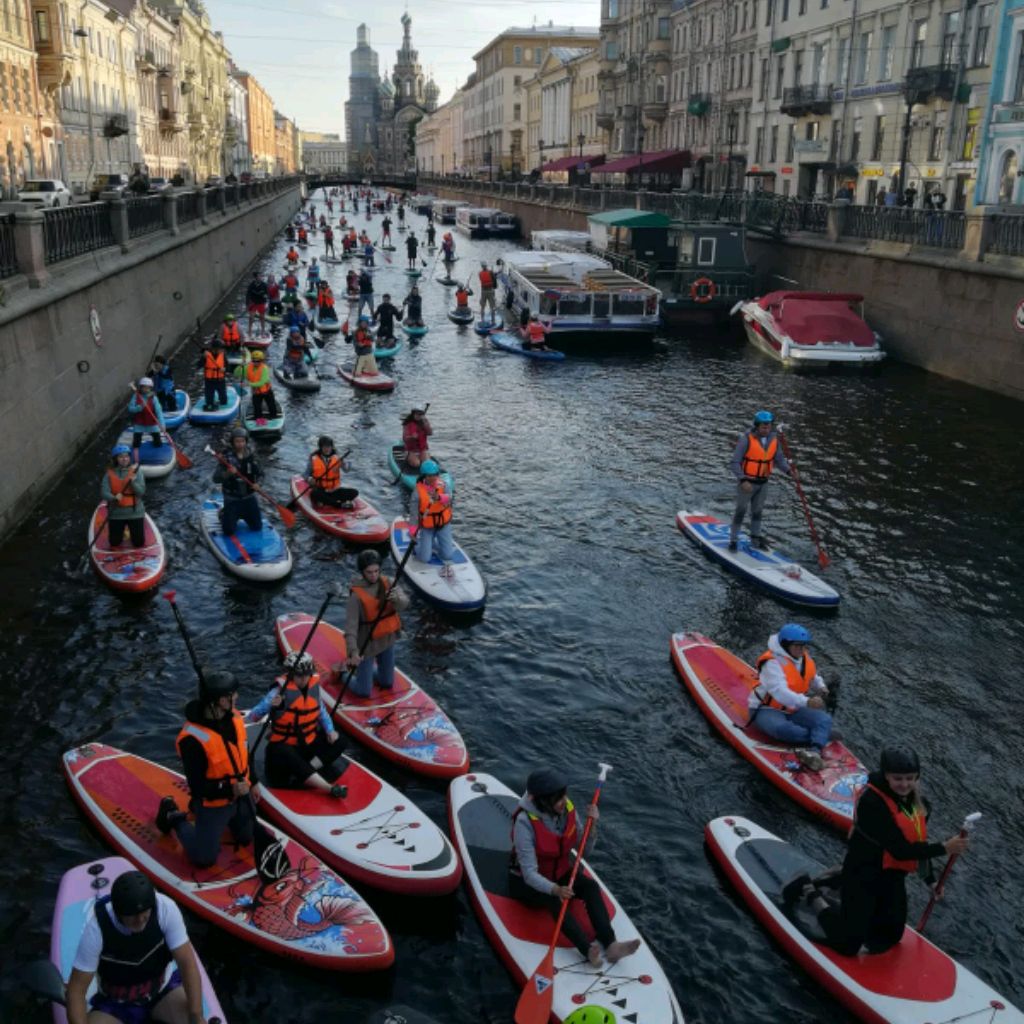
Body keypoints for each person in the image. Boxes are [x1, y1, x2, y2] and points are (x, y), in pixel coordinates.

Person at [792, 748, 970, 958]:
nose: (904, 784)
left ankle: (839, 888)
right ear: (886, 775)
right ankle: (810, 892)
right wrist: (944, 848)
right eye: (898, 779)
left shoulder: (921, 807)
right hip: (863, 872)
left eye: (910, 778)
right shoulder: (872, 803)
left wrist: (930, 881)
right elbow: (900, 850)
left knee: (889, 936)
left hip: (891, 876)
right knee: (848, 945)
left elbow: (917, 843)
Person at [509, 767, 641, 968]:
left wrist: (593, 826)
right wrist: (555, 889)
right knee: (555, 900)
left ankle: (611, 944)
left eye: (564, 795)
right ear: (544, 801)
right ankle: (587, 950)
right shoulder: (524, 823)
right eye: (558, 798)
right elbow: (528, 874)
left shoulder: (567, 809)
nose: (564, 800)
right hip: (529, 883)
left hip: (560, 872)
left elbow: (583, 851)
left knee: (590, 886)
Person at [65, 870, 207, 1024]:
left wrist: (196, 1015)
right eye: (132, 914)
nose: (140, 920)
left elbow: (187, 963)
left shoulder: (166, 908)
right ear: (119, 912)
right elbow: (76, 991)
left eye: (144, 912)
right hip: (115, 1003)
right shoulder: (96, 930)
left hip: (162, 991)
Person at [156, 670, 255, 868]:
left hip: (241, 794)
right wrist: (231, 789)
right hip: (214, 802)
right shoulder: (192, 740)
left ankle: (211, 817)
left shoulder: (234, 717)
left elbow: (244, 753)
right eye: (232, 696)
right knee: (204, 859)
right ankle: (174, 817)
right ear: (219, 701)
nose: (236, 698)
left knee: (246, 837)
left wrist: (256, 781)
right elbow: (198, 786)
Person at [246, 652, 348, 796]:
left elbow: (322, 713)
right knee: (284, 750)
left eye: (307, 674)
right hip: (283, 751)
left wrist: (330, 730)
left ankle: (307, 771)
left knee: (341, 740)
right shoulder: (277, 692)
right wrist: (271, 705)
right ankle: (328, 787)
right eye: (300, 675)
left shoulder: (313, 688)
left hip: (306, 746)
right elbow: (253, 717)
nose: (305, 679)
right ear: (290, 673)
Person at [747, 623, 832, 771]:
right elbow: (779, 692)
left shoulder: (802, 657)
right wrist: (807, 702)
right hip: (766, 709)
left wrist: (821, 686)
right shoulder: (771, 663)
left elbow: (813, 677)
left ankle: (815, 752)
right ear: (785, 645)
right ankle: (820, 736)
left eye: (804, 645)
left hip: (793, 709)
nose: (802, 649)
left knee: (824, 719)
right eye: (797, 646)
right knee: (784, 730)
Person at [343, 549, 409, 699]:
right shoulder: (356, 596)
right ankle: (343, 673)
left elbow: (405, 604)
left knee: (387, 682)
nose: (373, 575)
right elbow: (350, 628)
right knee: (363, 691)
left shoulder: (389, 583)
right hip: (366, 646)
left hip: (387, 640)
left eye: (376, 571)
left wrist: (396, 599)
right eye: (369, 572)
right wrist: (353, 651)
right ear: (362, 572)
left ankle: (365, 671)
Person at [728, 409, 791, 551]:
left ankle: (755, 539)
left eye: (768, 426)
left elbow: (779, 459)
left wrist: (788, 471)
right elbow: (734, 462)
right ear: (757, 425)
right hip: (747, 483)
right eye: (763, 426)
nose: (766, 429)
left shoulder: (774, 440)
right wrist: (743, 480)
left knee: (757, 511)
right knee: (741, 510)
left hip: (763, 483)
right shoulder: (746, 440)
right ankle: (733, 540)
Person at [213, 427, 262, 536]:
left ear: (246, 441)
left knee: (257, 527)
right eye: (237, 441)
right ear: (232, 442)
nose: (240, 444)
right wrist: (228, 473)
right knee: (229, 531)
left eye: (242, 441)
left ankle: (245, 515)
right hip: (232, 499)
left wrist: (258, 484)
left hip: (249, 497)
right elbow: (215, 479)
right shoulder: (225, 458)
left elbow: (261, 474)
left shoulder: (252, 456)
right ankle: (223, 514)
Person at [412, 460, 456, 570]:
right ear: (424, 476)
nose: (433, 478)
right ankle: (420, 545)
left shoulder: (443, 485)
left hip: (443, 525)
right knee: (424, 558)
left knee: (447, 555)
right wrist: (413, 532)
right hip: (427, 527)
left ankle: (433, 543)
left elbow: (450, 497)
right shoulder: (417, 491)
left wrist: (439, 498)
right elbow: (413, 513)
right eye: (430, 476)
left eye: (435, 475)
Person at [102, 445, 146, 548]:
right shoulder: (109, 474)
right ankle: (123, 531)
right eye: (121, 457)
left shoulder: (137, 472)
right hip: (116, 512)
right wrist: (113, 497)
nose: (124, 459)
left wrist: (133, 483)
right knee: (114, 542)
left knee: (139, 543)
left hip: (135, 512)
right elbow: (104, 492)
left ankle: (129, 531)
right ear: (116, 459)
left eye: (126, 456)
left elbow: (141, 493)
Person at [304, 435, 357, 507]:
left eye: (329, 446)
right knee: (314, 494)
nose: (327, 449)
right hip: (320, 490)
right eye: (325, 447)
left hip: (334, 490)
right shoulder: (313, 458)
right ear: (321, 447)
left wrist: (348, 462)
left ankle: (325, 501)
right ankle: (339, 504)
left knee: (354, 492)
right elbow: (305, 474)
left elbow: (346, 470)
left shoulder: (337, 457)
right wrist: (309, 479)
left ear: (332, 447)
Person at [234, 349, 279, 422]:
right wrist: (240, 366)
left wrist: (249, 384)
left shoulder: (264, 368)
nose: (255, 362)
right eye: (254, 360)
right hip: (256, 392)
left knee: (271, 405)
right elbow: (236, 374)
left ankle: (274, 417)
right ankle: (259, 419)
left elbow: (262, 382)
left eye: (258, 361)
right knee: (257, 407)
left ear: (262, 361)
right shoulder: (248, 367)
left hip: (266, 391)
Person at [128, 377, 166, 452]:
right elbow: (130, 409)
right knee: (136, 444)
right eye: (144, 387)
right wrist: (140, 407)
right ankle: (136, 455)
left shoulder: (154, 398)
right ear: (140, 387)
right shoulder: (136, 396)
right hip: (139, 423)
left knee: (158, 443)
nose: (146, 389)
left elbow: (159, 412)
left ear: (151, 388)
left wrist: (162, 425)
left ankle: (157, 454)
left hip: (152, 423)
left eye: (148, 388)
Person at [198, 338, 227, 411]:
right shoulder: (206, 355)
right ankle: (210, 404)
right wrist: (203, 358)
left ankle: (221, 402)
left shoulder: (222, 355)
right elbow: (198, 365)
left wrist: (225, 369)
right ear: (215, 349)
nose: (222, 350)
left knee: (223, 400)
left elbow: (227, 366)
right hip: (209, 381)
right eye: (221, 348)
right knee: (209, 400)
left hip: (220, 380)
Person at [246, 272, 268, 338]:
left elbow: (267, 294)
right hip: (253, 303)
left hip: (261, 303)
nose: (260, 277)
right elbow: (248, 295)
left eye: (261, 276)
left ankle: (263, 332)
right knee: (251, 318)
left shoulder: (264, 285)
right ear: (256, 278)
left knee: (262, 318)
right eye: (259, 276)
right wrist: (247, 303)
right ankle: (249, 332)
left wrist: (265, 297)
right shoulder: (251, 285)